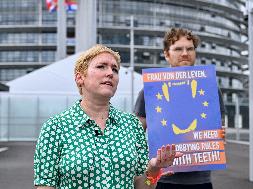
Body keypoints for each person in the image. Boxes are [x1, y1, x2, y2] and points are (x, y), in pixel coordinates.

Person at [34, 44, 182, 189]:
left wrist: (153, 170)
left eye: (115, 69)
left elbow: (143, 187)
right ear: (80, 78)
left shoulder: (132, 125)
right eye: (101, 66)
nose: (110, 73)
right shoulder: (54, 128)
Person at [134, 28, 226, 189]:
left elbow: (220, 127)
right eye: (178, 49)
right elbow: (135, 136)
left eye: (190, 48)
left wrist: (220, 135)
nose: (185, 53)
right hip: (163, 180)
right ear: (166, 54)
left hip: (201, 181)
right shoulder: (150, 90)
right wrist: (148, 168)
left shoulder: (210, 88)